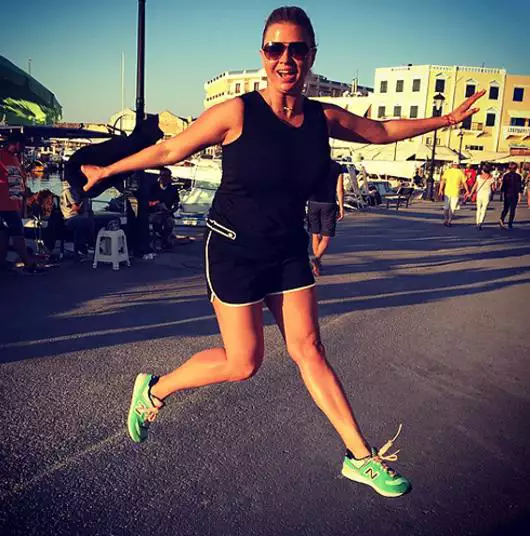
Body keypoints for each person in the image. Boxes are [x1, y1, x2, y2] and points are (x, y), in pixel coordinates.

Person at [81, 6, 483, 498]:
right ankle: (156, 389)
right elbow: (169, 151)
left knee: (309, 349)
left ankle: (361, 457)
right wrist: (106, 172)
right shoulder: (237, 112)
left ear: (311, 55)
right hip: (235, 251)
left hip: (289, 248)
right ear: (263, 54)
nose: (286, 59)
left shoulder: (322, 117)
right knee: (243, 363)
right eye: (276, 48)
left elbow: (379, 132)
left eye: (297, 49)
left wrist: (447, 119)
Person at [0, 133, 41, 272]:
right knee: (18, 234)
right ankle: (28, 263)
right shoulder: (1, 156)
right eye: (23, 144)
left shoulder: (15, 159)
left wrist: (25, 191)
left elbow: (16, 181)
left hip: (13, 204)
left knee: (4, 234)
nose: (24, 147)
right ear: (16, 143)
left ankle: (1, 263)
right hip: (4, 204)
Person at [307, 160, 344, 276]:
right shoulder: (337, 167)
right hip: (329, 204)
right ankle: (317, 259)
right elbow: (339, 189)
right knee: (326, 237)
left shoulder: (313, 164)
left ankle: (317, 264)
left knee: (315, 234)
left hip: (313, 202)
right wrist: (341, 207)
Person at [60, 181, 94, 260]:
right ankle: (80, 248)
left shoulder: (76, 190)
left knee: (90, 218)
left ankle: (89, 244)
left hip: (77, 217)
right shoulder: (67, 191)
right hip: (69, 218)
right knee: (82, 221)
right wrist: (84, 199)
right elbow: (75, 208)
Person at [149, 167, 180, 250]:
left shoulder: (173, 189)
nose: (165, 178)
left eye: (167, 176)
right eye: (163, 175)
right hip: (155, 212)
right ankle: (164, 240)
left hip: (167, 213)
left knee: (169, 223)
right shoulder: (153, 188)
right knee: (157, 222)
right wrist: (156, 203)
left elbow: (176, 203)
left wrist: (172, 210)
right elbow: (147, 202)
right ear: (160, 177)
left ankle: (164, 240)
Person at [438, 161, 470, 226]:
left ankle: (445, 220)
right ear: (458, 165)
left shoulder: (447, 171)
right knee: (452, 208)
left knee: (446, 207)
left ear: (452, 165)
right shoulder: (460, 172)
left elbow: (442, 181)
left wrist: (440, 189)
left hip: (447, 191)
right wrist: (467, 190)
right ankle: (449, 221)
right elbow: (464, 182)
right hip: (456, 192)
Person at [469, 163, 495, 230]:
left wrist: (471, 193)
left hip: (479, 194)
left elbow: (475, 186)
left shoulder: (478, 177)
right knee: (484, 209)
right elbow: (493, 188)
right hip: (487, 194)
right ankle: (480, 223)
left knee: (478, 209)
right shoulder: (491, 178)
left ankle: (477, 222)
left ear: (483, 170)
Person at [499, 162, 523, 229]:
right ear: (516, 168)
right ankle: (510, 223)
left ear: (509, 168)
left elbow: (503, 186)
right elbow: (519, 186)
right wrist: (520, 194)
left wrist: (501, 193)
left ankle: (502, 219)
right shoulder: (518, 176)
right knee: (513, 209)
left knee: (506, 208)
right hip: (514, 194)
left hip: (507, 194)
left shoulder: (505, 176)